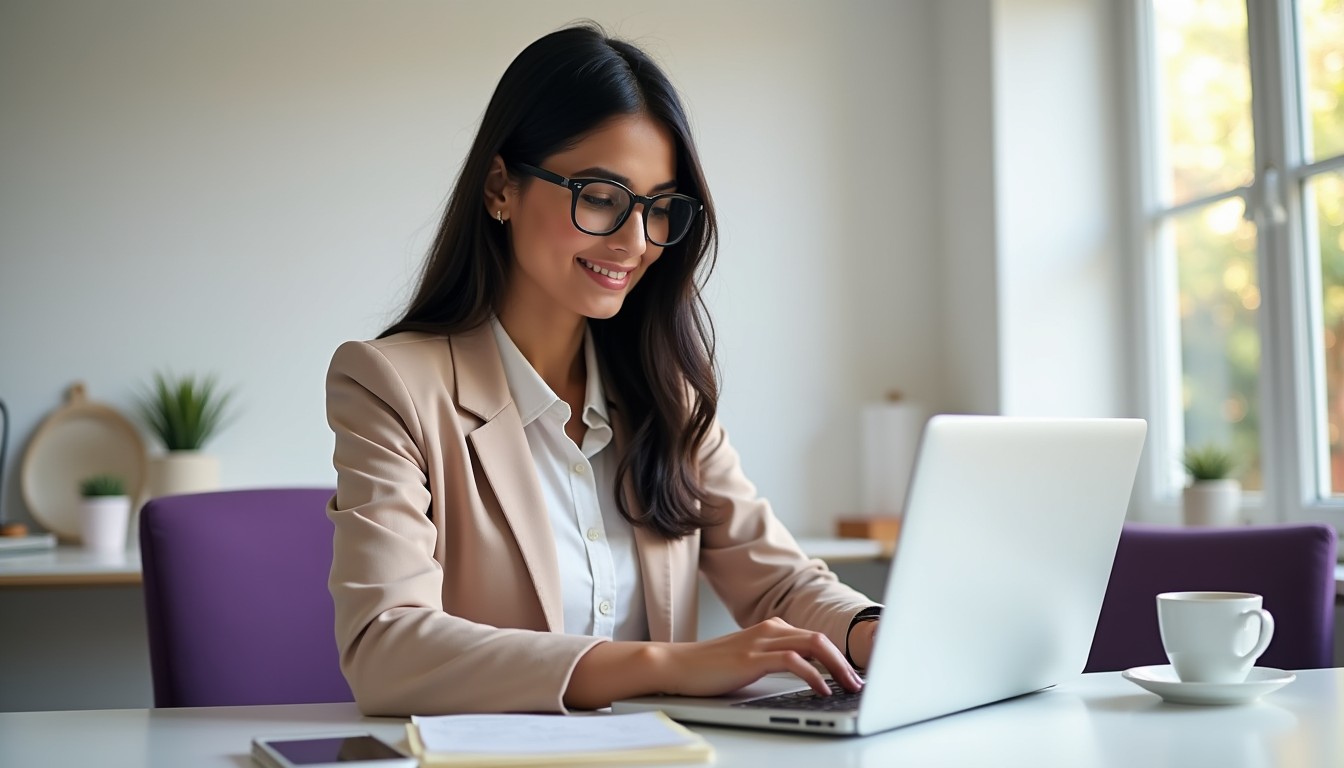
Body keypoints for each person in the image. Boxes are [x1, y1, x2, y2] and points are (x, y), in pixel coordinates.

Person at [324, 22, 881, 717]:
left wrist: (872, 631)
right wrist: (667, 665)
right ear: (501, 187)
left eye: (657, 208)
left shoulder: (664, 391)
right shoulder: (391, 385)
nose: (635, 241)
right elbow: (387, 649)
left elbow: (779, 583)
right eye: (600, 196)